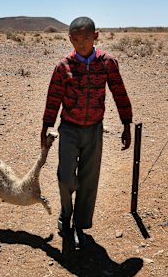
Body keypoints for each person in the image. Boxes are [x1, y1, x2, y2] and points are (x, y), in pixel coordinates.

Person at [40, 16, 132, 250]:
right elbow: (53, 98)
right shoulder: (63, 67)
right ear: (70, 39)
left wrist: (126, 123)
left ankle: (80, 224)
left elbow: (119, 92)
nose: (82, 43)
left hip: (94, 129)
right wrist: (45, 126)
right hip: (69, 128)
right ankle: (66, 214)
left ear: (96, 36)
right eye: (77, 39)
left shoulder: (107, 63)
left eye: (87, 38)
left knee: (89, 178)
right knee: (65, 177)